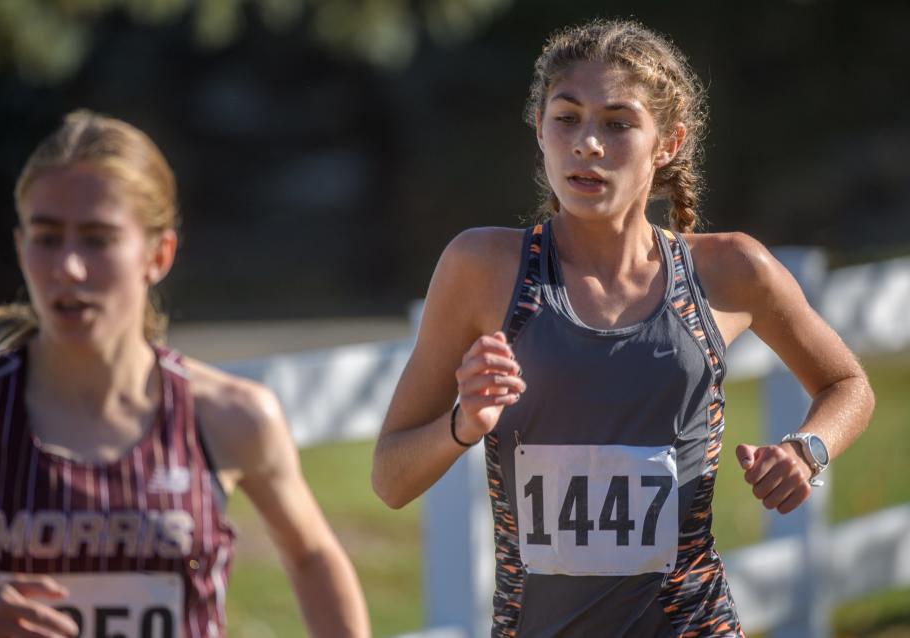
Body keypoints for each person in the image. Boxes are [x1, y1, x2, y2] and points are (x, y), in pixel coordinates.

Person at [371, 18, 874, 637]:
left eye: (618, 123)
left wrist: (807, 449)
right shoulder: (482, 268)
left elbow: (847, 383)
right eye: (567, 117)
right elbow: (390, 479)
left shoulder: (731, 270)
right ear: (539, 129)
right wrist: (462, 424)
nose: (587, 143)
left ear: (668, 143)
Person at [0, 110, 370, 638]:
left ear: (158, 253)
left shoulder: (230, 415)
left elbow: (312, 556)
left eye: (98, 239)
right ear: (20, 246)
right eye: (47, 237)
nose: (68, 267)